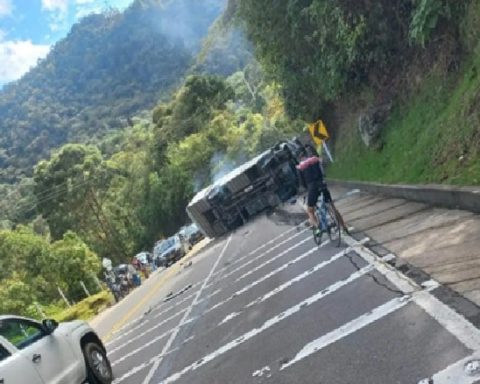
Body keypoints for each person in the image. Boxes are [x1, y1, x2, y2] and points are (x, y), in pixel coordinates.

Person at [296, 145, 348, 235]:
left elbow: (303, 183)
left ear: (299, 157)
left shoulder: (300, 167)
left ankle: (317, 228)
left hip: (312, 188)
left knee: (310, 210)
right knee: (332, 207)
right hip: (322, 184)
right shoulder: (315, 160)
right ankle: (344, 228)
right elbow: (323, 171)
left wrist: (306, 188)